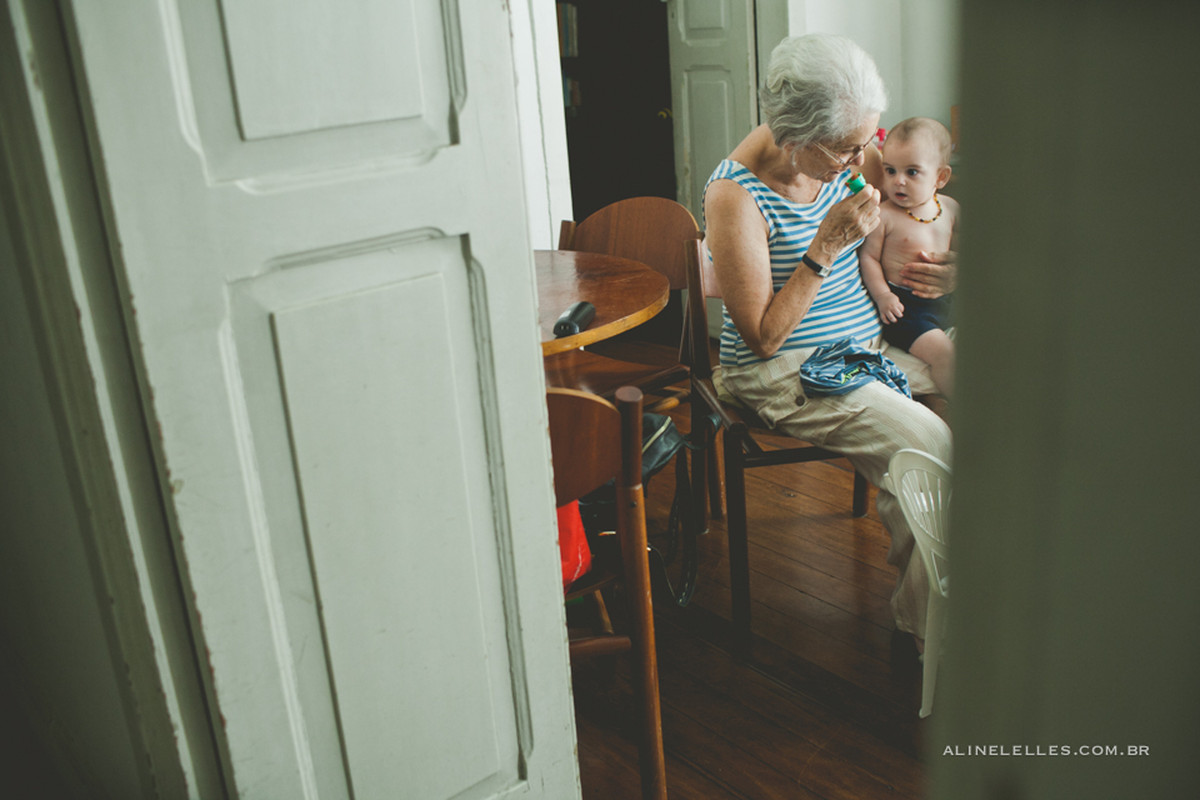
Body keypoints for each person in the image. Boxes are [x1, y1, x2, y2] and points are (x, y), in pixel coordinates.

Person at [702, 33, 954, 647]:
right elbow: (763, 339)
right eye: (847, 149)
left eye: (865, 142)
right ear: (794, 137)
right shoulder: (735, 196)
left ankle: (955, 595)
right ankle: (931, 635)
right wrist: (826, 246)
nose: (863, 161)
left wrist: (948, 271)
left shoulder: (846, 151)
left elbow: (918, 212)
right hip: (785, 368)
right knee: (928, 441)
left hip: (869, 347)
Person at [859, 117, 960, 398]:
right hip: (906, 310)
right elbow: (868, 258)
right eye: (890, 170)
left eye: (912, 172)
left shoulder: (950, 208)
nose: (898, 181)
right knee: (945, 355)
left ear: (940, 177)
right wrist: (883, 296)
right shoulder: (884, 215)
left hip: (944, 299)